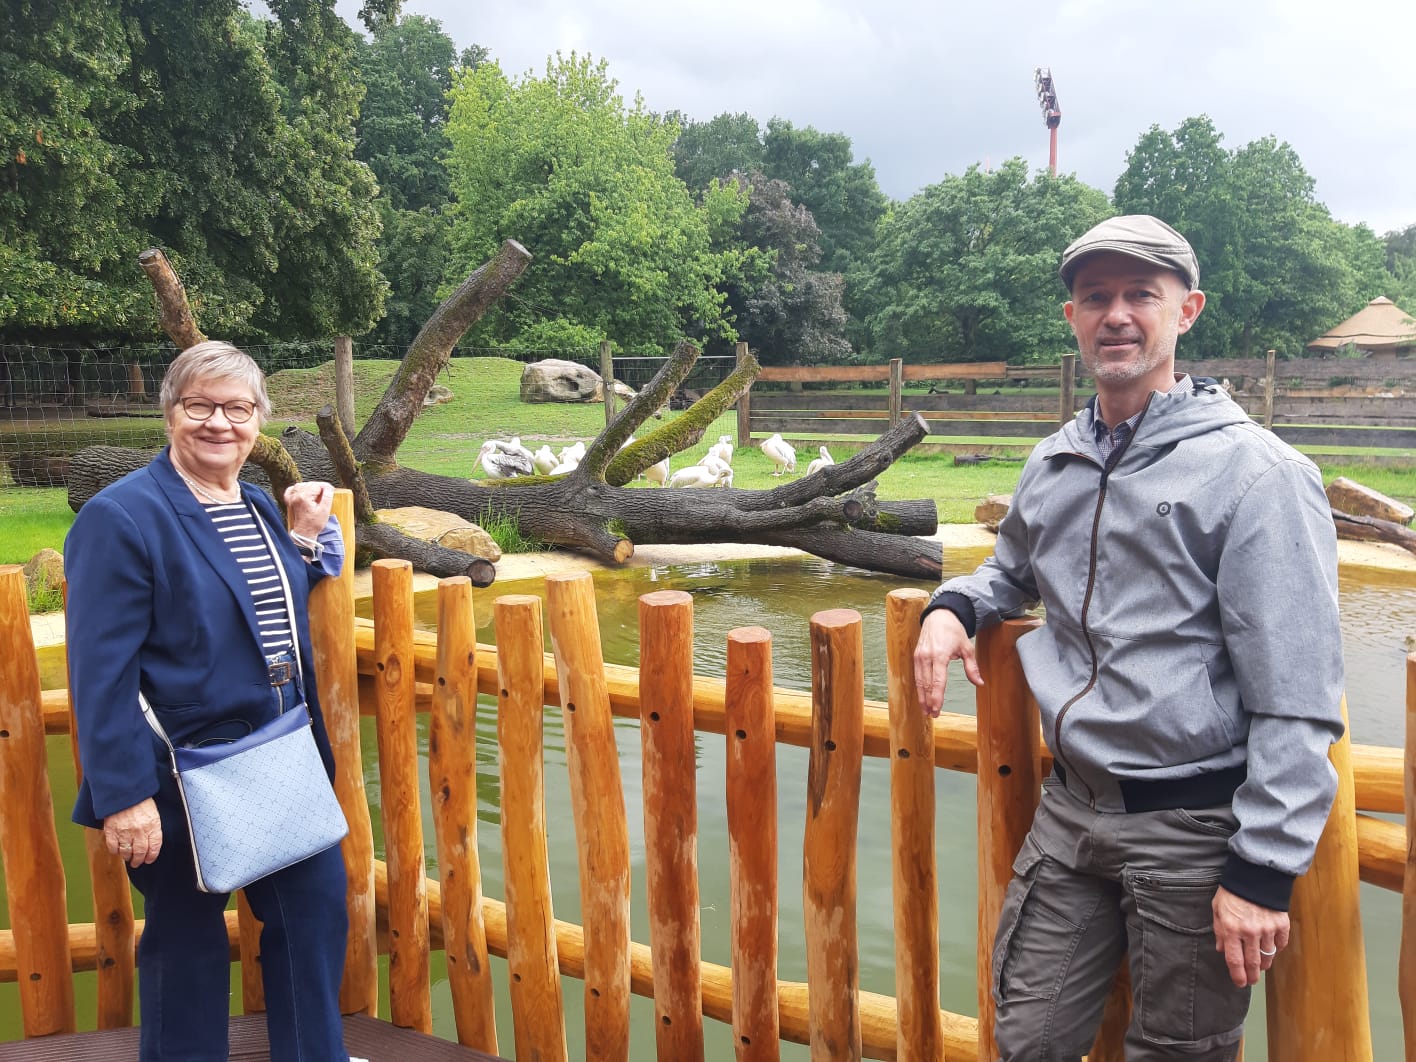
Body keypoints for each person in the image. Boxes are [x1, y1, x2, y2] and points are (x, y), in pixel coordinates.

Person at [913, 215, 1345, 1060]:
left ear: (1187, 311)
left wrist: (1260, 873)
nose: (1116, 315)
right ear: (1071, 318)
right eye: (1095, 297)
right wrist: (954, 607)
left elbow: (1297, 697)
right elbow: (1011, 571)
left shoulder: (1257, 475)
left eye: (1140, 295)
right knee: (1024, 1041)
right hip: (1069, 817)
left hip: (1193, 832)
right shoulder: (1056, 461)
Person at [66, 341, 355, 1061]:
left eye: (237, 408)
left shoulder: (254, 504)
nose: (218, 423)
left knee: (314, 917)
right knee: (188, 945)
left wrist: (308, 539)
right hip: (179, 775)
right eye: (200, 405)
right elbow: (100, 671)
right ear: (170, 412)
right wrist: (124, 796)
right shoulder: (122, 516)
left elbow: (258, 597)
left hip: (279, 756)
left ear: (258, 419)